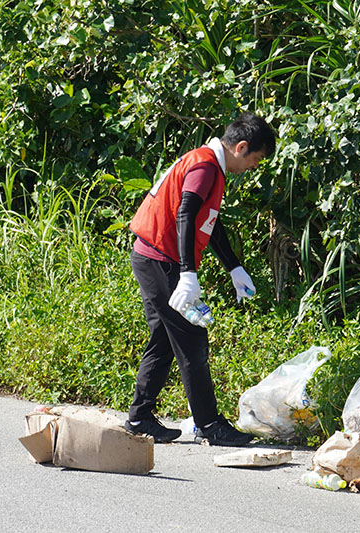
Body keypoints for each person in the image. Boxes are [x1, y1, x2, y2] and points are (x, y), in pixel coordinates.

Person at [125, 111, 276, 446]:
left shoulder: (210, 165)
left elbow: (210, 221)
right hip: (158, 258)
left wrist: (234, 267)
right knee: (192, 338)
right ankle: (209, 425)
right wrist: (186, 274)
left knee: (165, 339)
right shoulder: (205, 166)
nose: (254, 166)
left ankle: (140, 417)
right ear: (240, 147)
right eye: (256, 158)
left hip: (153, 256)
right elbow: (186, 212)